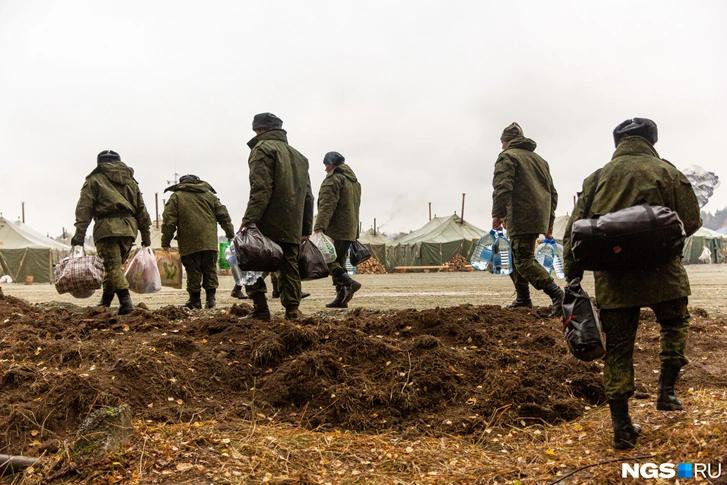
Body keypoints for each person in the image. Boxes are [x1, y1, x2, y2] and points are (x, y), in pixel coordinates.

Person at [563, 118, 701, 450]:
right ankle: (667, 392)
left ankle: (622, 428)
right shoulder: (667, 172)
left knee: (619, 351)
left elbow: (573, 235)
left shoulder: (596, 178)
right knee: (675, 323)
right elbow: (691, 220)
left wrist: (573, 278)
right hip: (664, 274)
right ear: (652, 140)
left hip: (614, 281)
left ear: (617, 143)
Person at [240, 112, 314, 321]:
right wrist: (305, 229)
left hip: (267, 222)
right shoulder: (300, 157)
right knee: (289, 265)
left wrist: (249, 221)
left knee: (248, 260)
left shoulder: (261, 149)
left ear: (258, 130)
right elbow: (308, 196)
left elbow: (261, 189)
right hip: (293, 223)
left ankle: (260, 308)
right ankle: (292, 310)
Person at [491, 122, 563, 316]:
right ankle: (523, 299)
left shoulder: (508, 157)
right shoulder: (540, 160)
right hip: (538, 216)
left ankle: (558, 296)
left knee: (523, 260)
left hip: (520, 216)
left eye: (502, 143)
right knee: (515, 258)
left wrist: (497, 214)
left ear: (505, 142)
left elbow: (502, 187)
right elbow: (552, 193)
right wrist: (548, 223)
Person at [72, 150, 152, 315]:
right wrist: (146, 235)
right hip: (129, 229)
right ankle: (106, 302)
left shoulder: (94, 180)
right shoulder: (131, 182)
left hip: (107, 229)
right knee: (113, 266)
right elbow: (142, 210)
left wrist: (79, 236)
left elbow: (84, 209)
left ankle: (126, 303)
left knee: (112, 266)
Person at [161, 174, 235, 309]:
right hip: (210, 242)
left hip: (190, 242)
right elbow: (224, 216)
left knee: (193, 271)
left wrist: (165, 241)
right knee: (210, 269)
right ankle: (211, 300)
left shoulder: (177, 197)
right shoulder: (210, 196)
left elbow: (169, 222)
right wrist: (230, 233)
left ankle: (195, 301)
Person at [314, 151, 362, 308]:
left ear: (331, 164)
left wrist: (319, 227)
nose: (325, 169)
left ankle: (349, 283)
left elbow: (327, 205)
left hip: (336, 229)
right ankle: (341, 299)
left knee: (327, 258)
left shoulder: (334, 179)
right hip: (349, 230)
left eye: (326, 165)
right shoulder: (354, 182)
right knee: (339, 263)